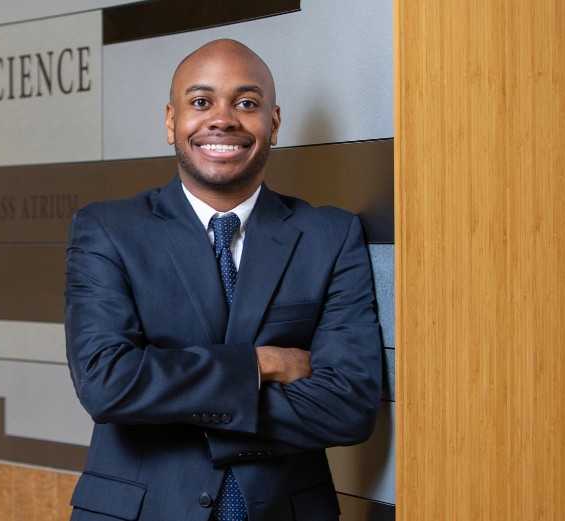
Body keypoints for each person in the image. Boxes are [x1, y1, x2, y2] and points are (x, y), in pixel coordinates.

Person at [64, 39, 382, 521]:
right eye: (200, 101)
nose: (223, 119)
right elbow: (107, 383)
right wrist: (262, 364)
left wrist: (167, 403)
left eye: (247, 103)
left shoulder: (329, 236)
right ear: (172, 121)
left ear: (273, 123)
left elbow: (348, 406)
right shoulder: (108, 230)